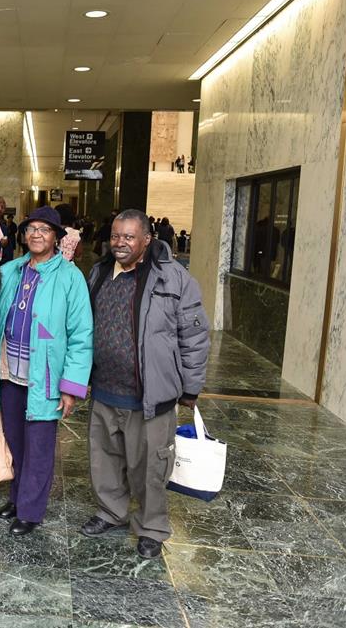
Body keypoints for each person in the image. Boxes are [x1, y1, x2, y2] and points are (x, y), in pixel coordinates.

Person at [81, 209, 210, 559]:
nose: (120, 242)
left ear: (146, 240)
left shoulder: (173, 278)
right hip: (105, 390)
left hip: (150, 395)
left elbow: (195, 336)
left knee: (150, 467)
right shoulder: (99, 273)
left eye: (129, 236)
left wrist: (191, 387)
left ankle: (151, 526)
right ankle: (111, 511)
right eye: (115, 235)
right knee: (104, 459)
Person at [0, 206, 93, 537]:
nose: (36, 234)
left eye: (44, 229)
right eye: (31, 228)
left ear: (56, 237)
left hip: (45, 379)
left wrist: (71, 386)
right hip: (9, 374)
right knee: (16, 442)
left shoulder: (70, 277)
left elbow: (81, 335)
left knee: (39, 448)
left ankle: (31, 510)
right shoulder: (10, 271)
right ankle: (18, 498)